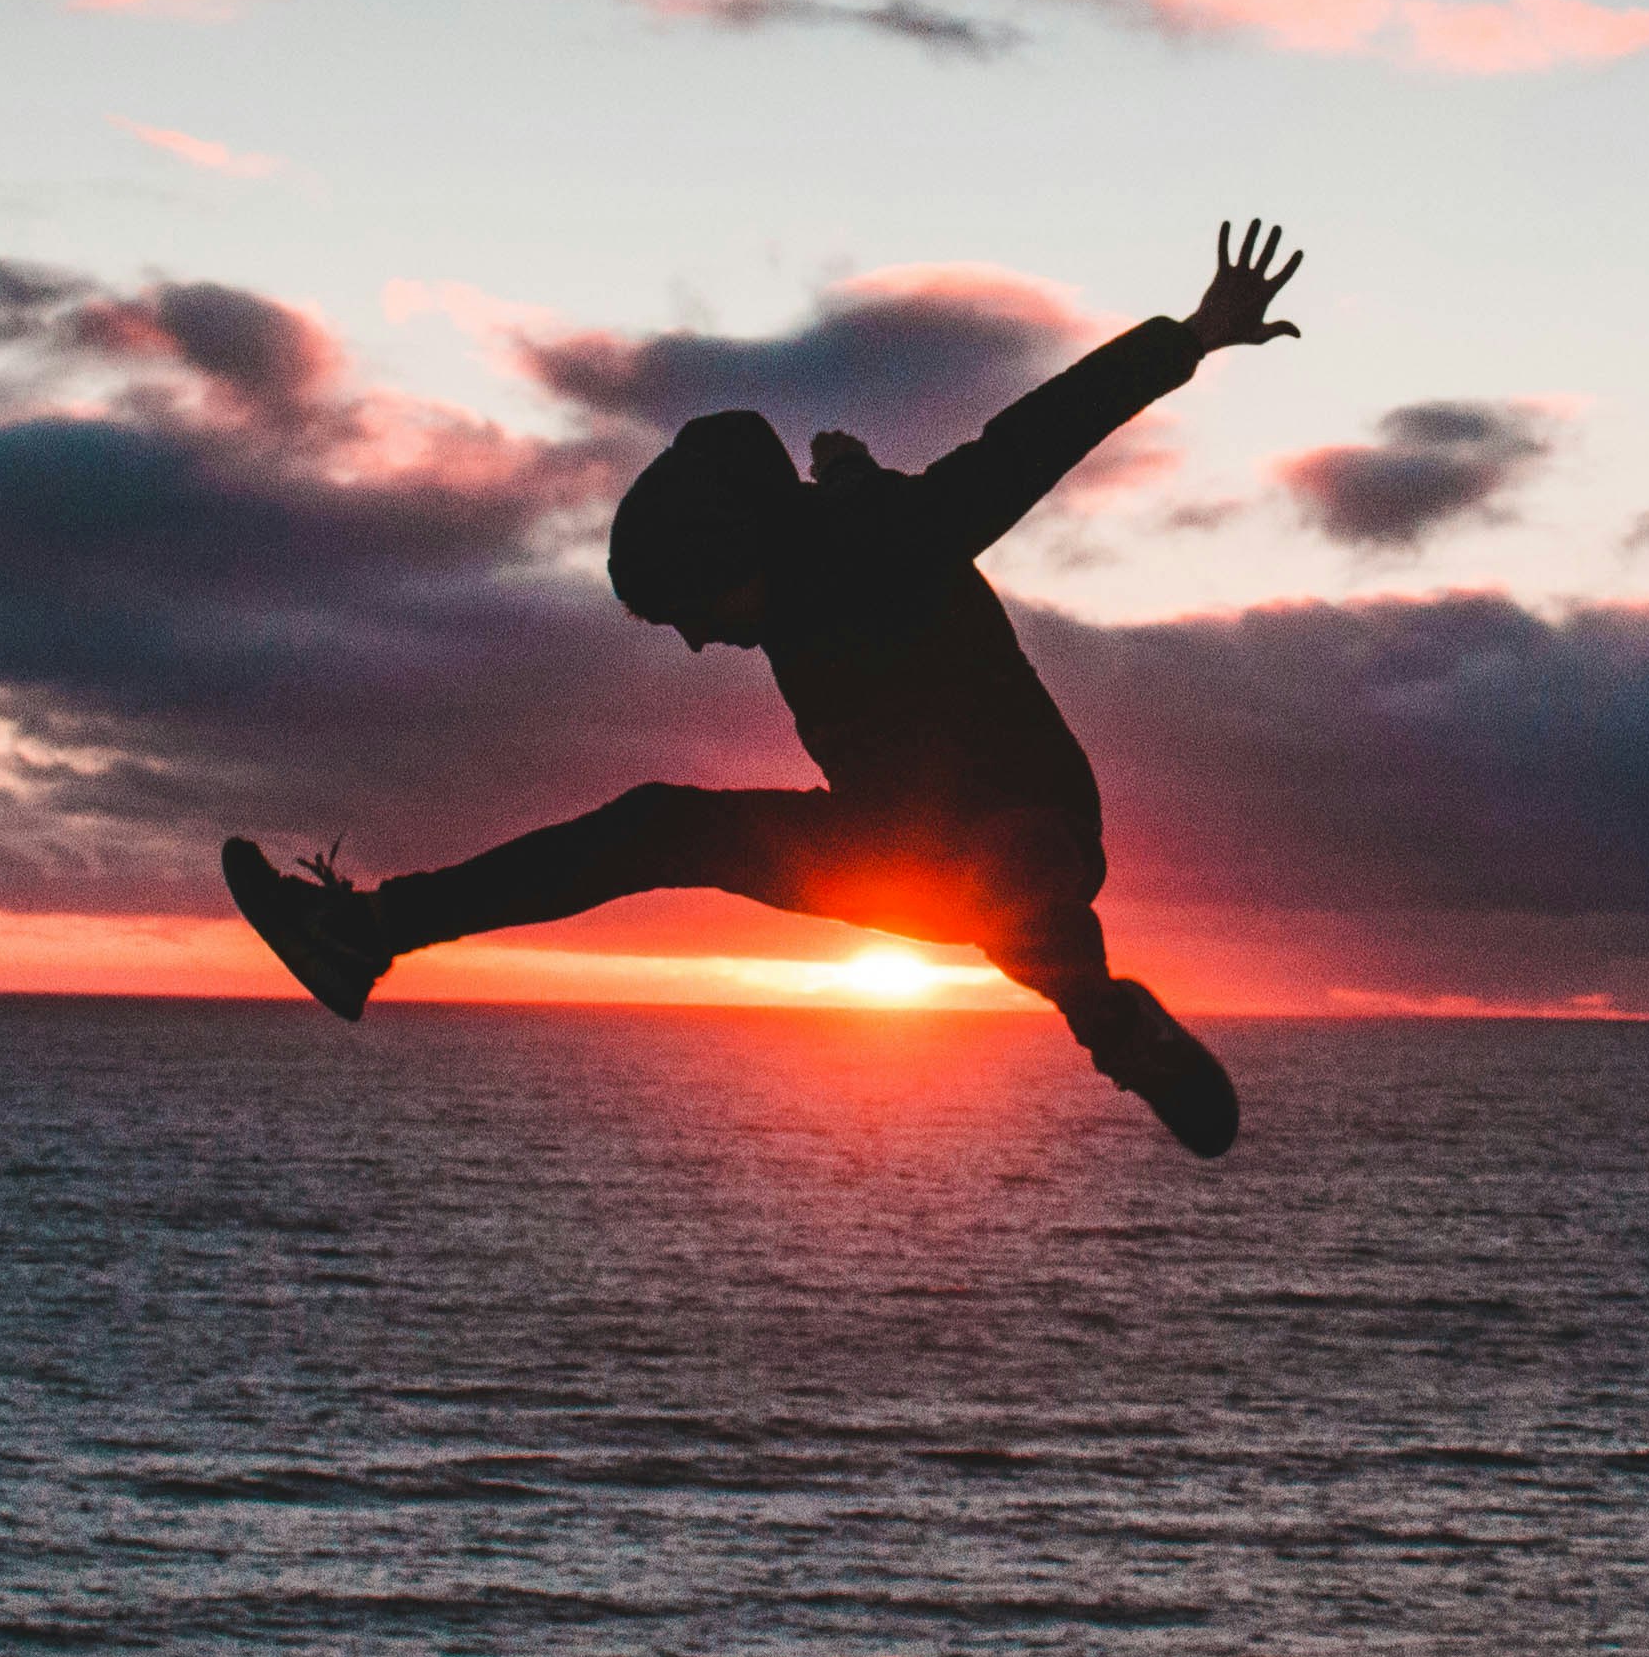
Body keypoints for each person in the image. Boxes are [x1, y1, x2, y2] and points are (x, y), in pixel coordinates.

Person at [222, 218, 1311, 1155]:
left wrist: (1195, 334)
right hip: (890, 845)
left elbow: (1029, 440)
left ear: (736, 554)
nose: (697, 641)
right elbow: (839, 488)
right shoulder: (827, 527)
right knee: (660, 823)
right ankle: (365, 933)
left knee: (1010, 857)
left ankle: (1113, 1026)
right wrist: (841, 466)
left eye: (693, 610)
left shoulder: (892, 535)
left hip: (1037, 832)